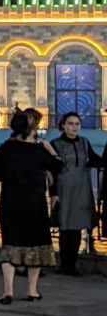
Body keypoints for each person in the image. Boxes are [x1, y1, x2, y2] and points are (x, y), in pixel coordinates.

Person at [0, 109, 61, 304]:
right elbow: (59, 166)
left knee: (10, 245)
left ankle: (8, 291)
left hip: (10, 202)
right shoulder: (39, 150)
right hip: (34, 204)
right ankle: (31, 290)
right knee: (36, 245)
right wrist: (49, 148)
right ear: (32, 129)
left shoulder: (6, 148)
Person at [50, 112, 99, 276]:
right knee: (65, 227)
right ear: (63, 125)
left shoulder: (84, 143)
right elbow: (52, 171)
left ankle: (72, 264)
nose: (74, 127)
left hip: (81, 189)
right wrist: (53, 193)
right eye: (70, 123)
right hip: (64, 190)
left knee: (77, 227)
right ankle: (64, 264)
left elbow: (93, 159)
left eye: (77, 124)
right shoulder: (55, 144)